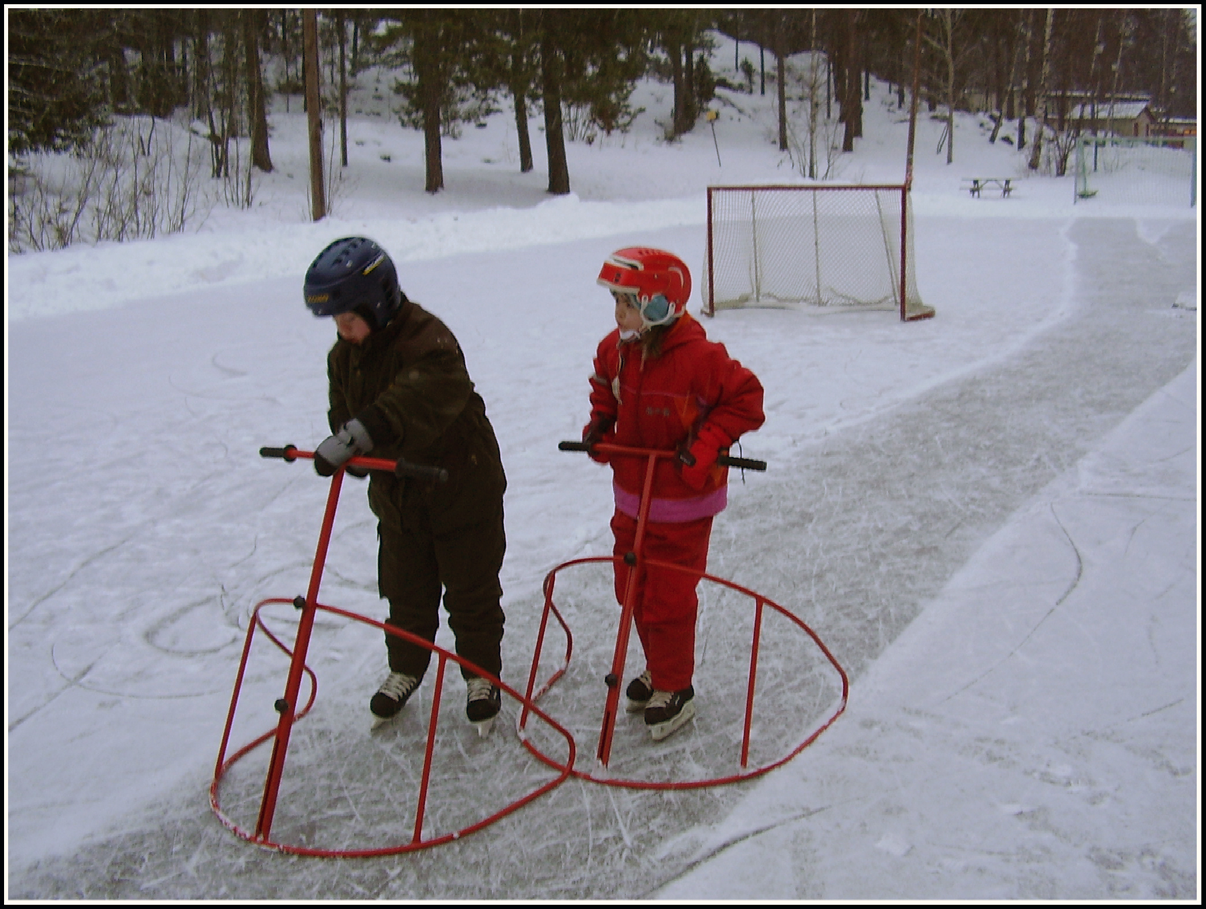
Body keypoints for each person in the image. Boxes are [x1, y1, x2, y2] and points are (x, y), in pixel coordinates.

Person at [303, 236, 508, 735]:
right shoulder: (344, 356)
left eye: (347, 319)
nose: (342, 331)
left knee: (469, 588)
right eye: (335, 322)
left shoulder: (430, 342)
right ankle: (407, 667)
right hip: (399, 494)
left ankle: (481, 674)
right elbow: (344, 409)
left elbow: (411, 402)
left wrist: (361, 432)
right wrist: (352, 447)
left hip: (461, 485)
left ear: (376, 303)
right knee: (405, 588)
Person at [582, 247, 765, 741]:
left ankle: (676, 687)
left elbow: (747, 401)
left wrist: (703, 446)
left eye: (629, 302)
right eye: (616, 302)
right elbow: (604, 386)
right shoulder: (615, 349)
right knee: (632, 589)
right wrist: (601, 425)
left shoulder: (701, 359)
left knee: (668, 597)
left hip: (682, 505)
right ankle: (658, 667)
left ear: (663, 304)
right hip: (631, 495)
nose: (619, 314)